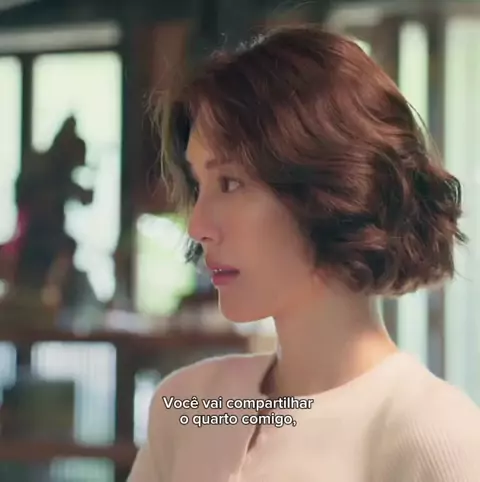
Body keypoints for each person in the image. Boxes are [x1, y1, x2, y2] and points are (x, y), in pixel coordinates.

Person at [128, 25, 480, 481]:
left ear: (329, 192)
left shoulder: (434, 436)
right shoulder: (189, 406)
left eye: (230, 183)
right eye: (199, 186)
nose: (197, 227)